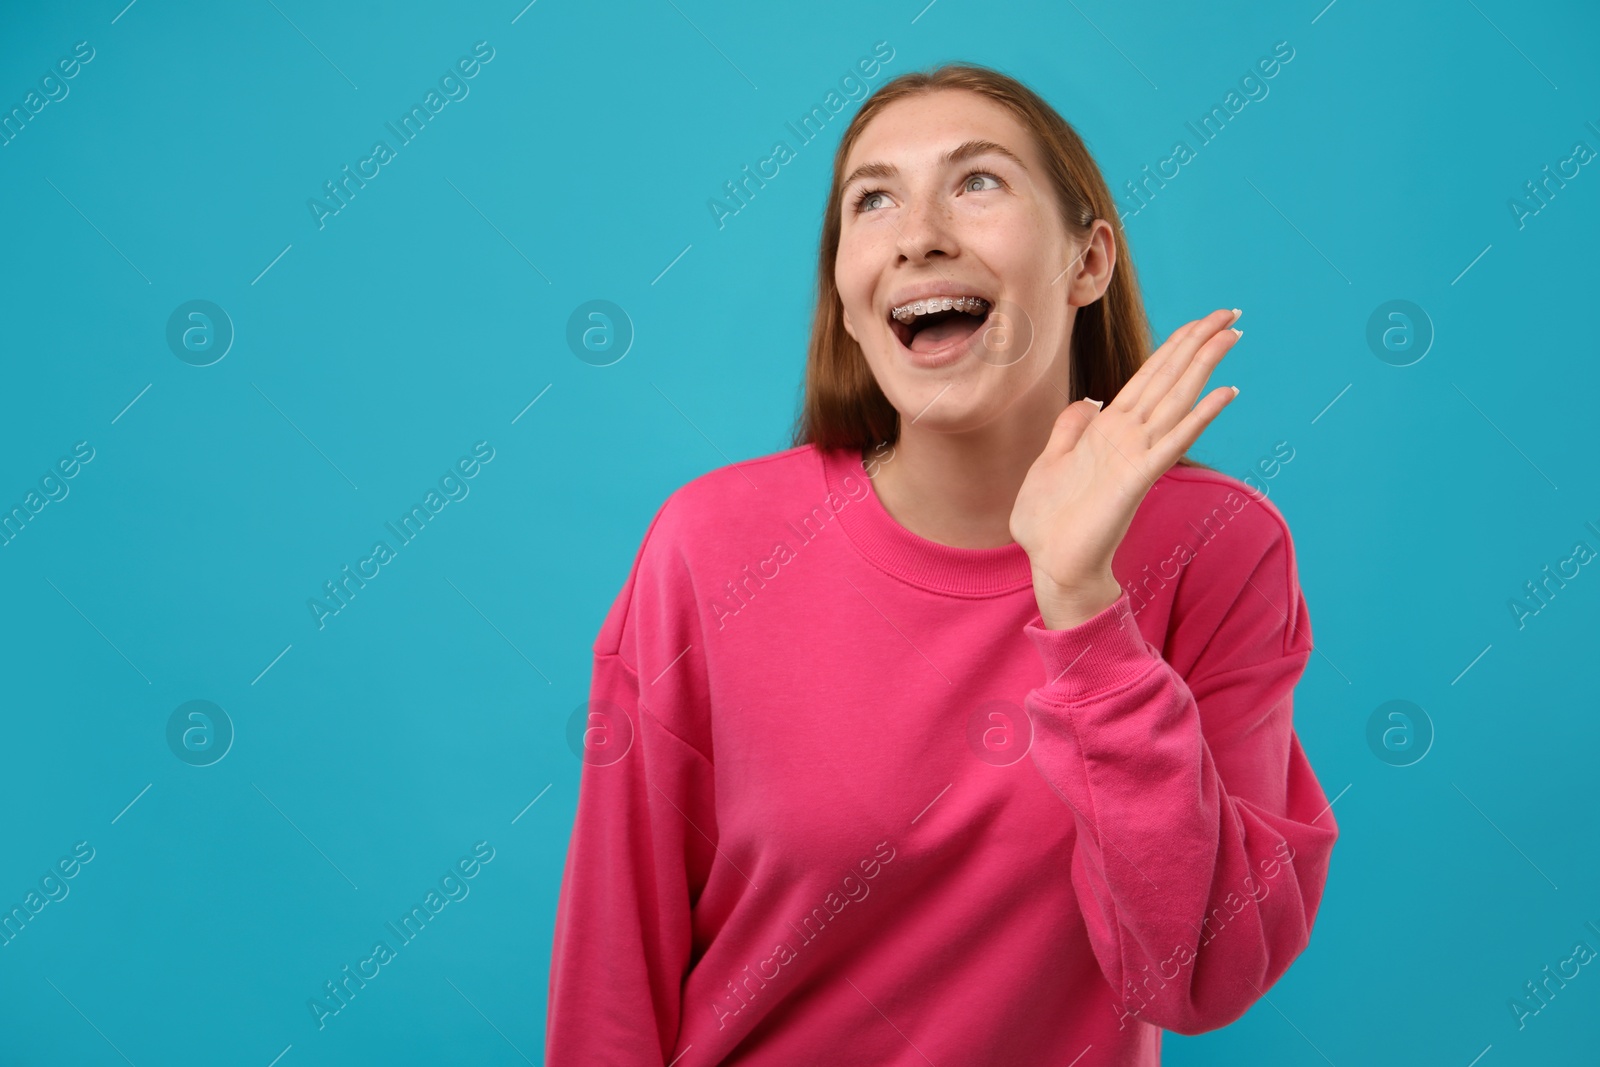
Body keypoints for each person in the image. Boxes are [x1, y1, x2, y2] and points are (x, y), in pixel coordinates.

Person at [546, 62, 1338, 1066]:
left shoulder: (1216, 548)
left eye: (977, 181)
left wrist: (1085, 608)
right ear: (845, 297)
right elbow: (614, 963)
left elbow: (1198, 973)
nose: (919, 232)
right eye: (871, 200)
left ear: (1086, 261)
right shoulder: (710, 545)